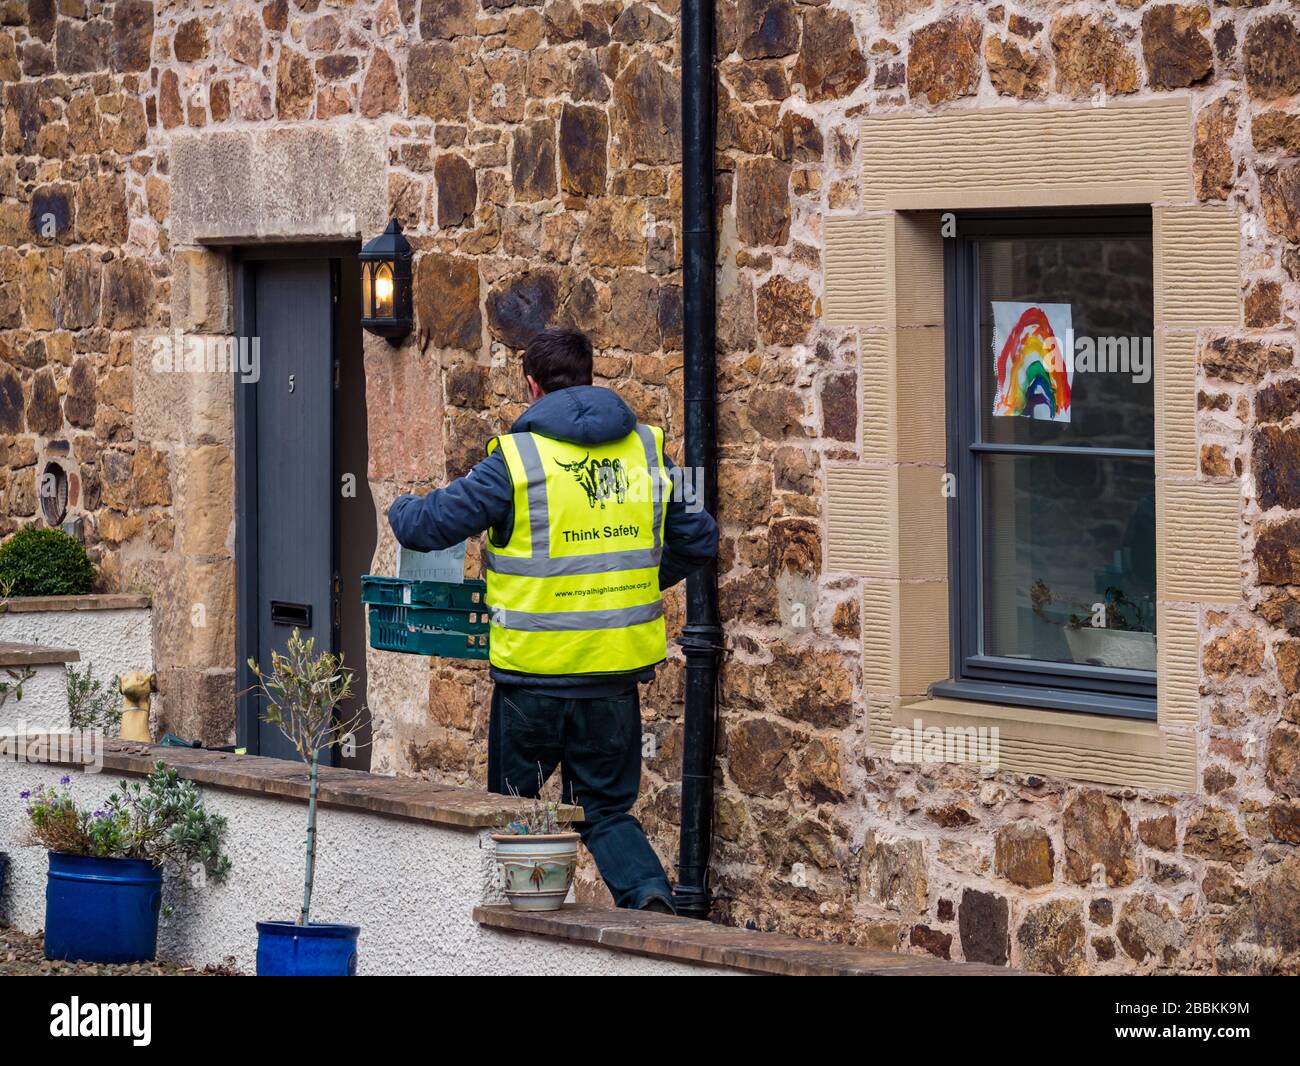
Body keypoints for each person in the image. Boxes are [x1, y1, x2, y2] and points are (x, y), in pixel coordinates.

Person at [388, 328, 719, 913]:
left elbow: (425, 527)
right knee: (607, 812)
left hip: (531, 681)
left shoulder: (515, 462)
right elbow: (699, 539)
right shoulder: (647, 450)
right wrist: (634, 576)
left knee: (513, 813)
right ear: (591, 376)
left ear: (532, 386)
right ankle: (649, 901)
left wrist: (399, 505)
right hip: (612, 680)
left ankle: (519, 936)